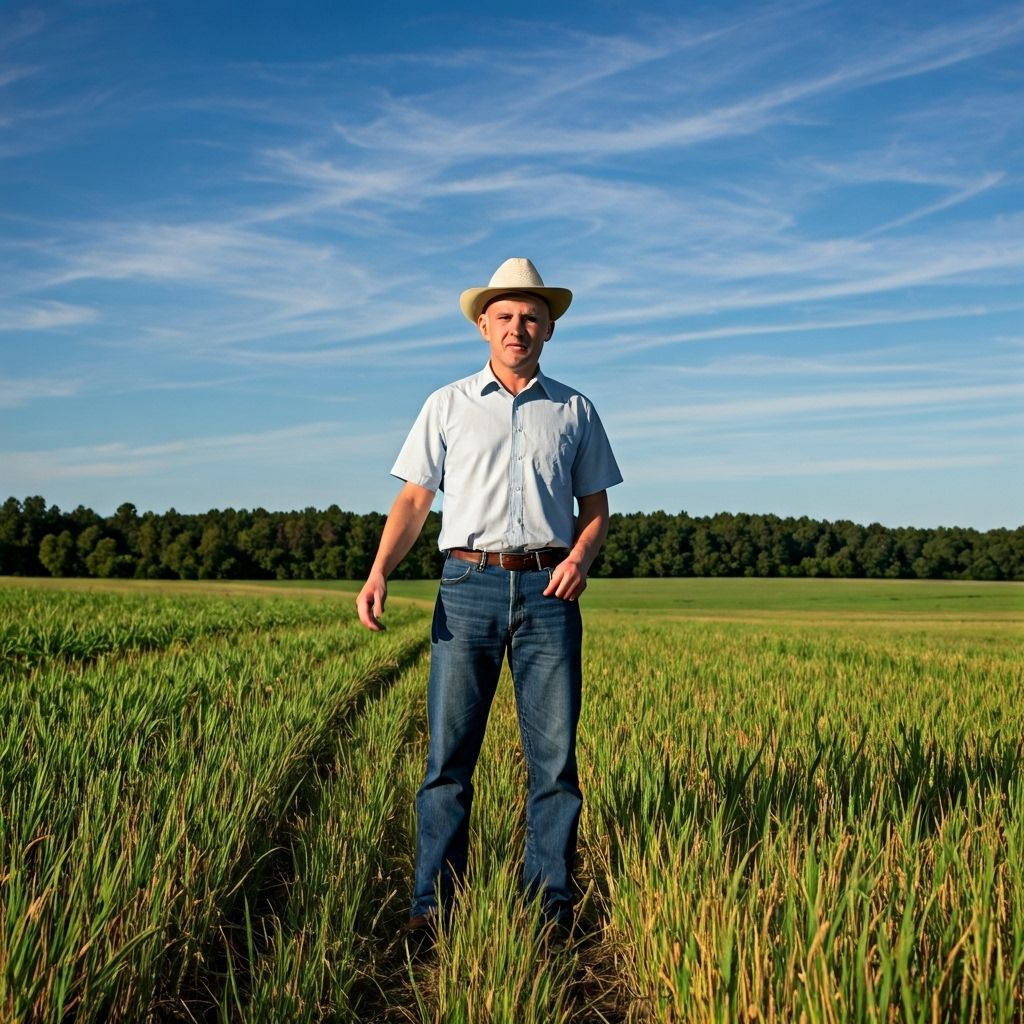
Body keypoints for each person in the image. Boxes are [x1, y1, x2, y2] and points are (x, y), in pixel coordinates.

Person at [355, 257, 622, 945]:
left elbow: (595, 510)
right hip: (466, 587)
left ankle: (550, 909)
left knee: (554, 764)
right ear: (482, 325)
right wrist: (380, 570)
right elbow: (414, 501)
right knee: (448, 760)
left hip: (548, 590)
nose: (517, 328)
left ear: (549, 329)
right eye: (504, 316)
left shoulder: (575, 410)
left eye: (531, 317)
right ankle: (433, 907)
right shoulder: (446, 404)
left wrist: (579, 559)